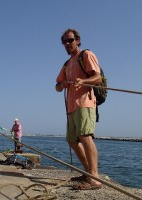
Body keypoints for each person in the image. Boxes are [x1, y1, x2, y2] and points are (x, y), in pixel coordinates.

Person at [55, 28, 102, 189]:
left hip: (85, 103)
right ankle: (88, 172)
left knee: (85, 136)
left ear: (78, 40)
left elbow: (98, 77)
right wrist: (63, 84)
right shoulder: (67, 64)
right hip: (71, 107)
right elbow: (57, 87)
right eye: (65, 42)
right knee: (72, 140)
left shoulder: (86, 55)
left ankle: (95, 178)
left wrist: (84, 81)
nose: (67, 44)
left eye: (70, 40)